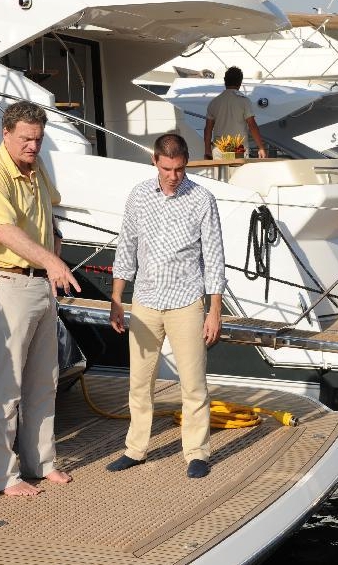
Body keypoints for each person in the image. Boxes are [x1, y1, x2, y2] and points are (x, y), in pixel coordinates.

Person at [0, 100, 81, 496]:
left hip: (40, 283)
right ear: (6, 134)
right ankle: (3, 476)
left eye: (38, 139)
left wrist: (55, 255)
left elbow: (51, 214)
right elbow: (2, 230)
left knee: (43, 379)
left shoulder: (35, 167)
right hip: (9, 283)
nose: (33, 146)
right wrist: (53, 262)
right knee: (7, 386)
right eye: (26, 139)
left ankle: (41, 461)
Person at [108, 133, 226, 479]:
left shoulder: (202, 199)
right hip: (145, 299)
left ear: (186, 162)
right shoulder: (139, 195)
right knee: (139, 381)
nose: (173, 175)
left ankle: (197, 452)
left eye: (178, 168)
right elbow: (126, 246)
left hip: (186, 300)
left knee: (193, 383)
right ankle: (136, 449)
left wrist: (214, 309)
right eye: (166, 168)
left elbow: (215, 257)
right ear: (154, 162)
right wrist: (117, 298)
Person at [203, 66, 267, 160]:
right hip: (237, 147)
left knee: (221, 175)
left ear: (225, 81)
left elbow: (208, 130)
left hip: (219, 148)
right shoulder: (244, 101)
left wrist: (207, 150)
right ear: (240, 82)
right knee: (237, 174)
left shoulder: (214, 102)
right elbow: (252, 125)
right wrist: (261, 147)